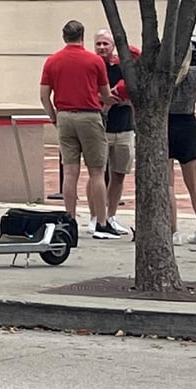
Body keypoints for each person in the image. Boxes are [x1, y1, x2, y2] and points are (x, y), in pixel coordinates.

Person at [39, 20, 119, 240]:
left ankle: (69, 220)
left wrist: (54, 117)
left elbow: (44, 95)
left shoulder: (52, 61)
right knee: (96, 171)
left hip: (64, 116)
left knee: (70, 171)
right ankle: (101, 223)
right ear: (82, 37)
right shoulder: (94, 61)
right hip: (89, 116)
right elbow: (103, 93)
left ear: (64, 36)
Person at [91, 29, 134, 236]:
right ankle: (94, 217)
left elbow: (136, 92)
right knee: (96, 173)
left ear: (112, 46)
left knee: (119, 174)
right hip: (100, 127)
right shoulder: (92, 66)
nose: (101, 48)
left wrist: (125, 98)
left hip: (124, 126)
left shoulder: (124, 67)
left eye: (105, 44)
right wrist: (104, 100)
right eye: (98, 44)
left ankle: (111, 216)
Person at [169, 48, 196, 246]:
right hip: (187, 124)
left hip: (167, 124)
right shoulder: (195, 75)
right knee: (193, 184)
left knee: (167, 184)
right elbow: (195, 98)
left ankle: (173, 231)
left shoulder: (167, 73)